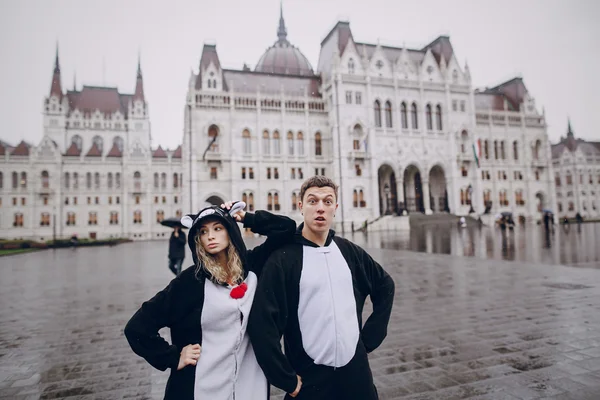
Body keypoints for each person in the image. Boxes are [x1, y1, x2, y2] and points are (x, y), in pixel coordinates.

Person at [124, 201, 296, 400]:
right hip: (203, 387)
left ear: (230, 231)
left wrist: (246, 218)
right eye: (203, 232)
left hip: (250, 386)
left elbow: (287, 229)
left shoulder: (252, 266)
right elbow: (137, 327)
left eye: (218, 228)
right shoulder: (190, 282)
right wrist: (173, 357)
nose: (210, 236)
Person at [248, 176, 395, 400]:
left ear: (335, 208)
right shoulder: (283, 259)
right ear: (301, 206)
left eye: (327, 202)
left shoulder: (349, 252)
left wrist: (370, 337)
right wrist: (284, 377)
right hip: (310, 381)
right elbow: (262, 322)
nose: (320, 208)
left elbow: (385, 286)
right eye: (312, 201)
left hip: (356, 376)